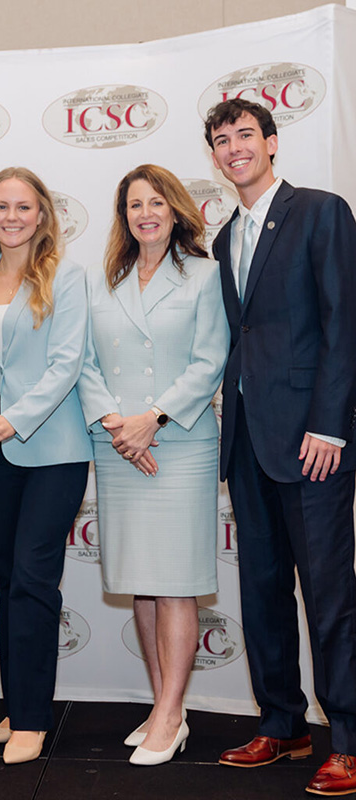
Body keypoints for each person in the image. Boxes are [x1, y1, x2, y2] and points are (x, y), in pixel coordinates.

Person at [204, 98, 356, 796]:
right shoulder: (224, 236)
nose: (234, 148)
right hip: (247, 443)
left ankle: (348, 739)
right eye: (221, 140)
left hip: (312, 442)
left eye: (244, 135)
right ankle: (283, 723)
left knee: (328, 596)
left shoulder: (321, 212)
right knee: (261, 591)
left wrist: (330, 424)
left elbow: (343, 320)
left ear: (270, 143)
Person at [79, 164, 228, 766]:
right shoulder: (102, 280)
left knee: (175, 581)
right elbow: (83, 360)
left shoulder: (204, 274)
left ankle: (171, 713)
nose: (146, 213)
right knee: (142, 581)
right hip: (118, 447)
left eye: (156, 203)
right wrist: (117, 423)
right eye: (135, 204)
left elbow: (210, 359)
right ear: (124, 215)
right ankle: (163, 702)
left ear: (175, 211)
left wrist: (153, 420)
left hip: (180, 445)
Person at [0, 167, 92, 764]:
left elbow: (67, 364)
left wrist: (14, 419)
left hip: (54, 448)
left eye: (23, 207)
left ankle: (34, 718)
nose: (12, 216)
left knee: (35, 579)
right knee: (9, 580)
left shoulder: (69, 275)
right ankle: (19, 701)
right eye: (1, 206)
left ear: (42, 215)